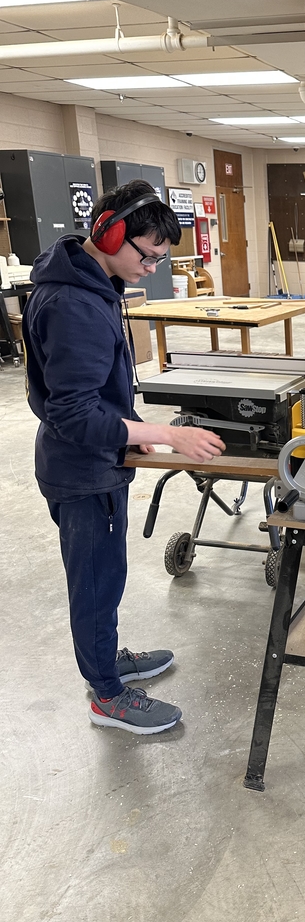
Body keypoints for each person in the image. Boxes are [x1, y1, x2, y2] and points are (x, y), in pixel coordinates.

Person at [22, 179, 225, 736]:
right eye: (150, 255)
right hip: (81, 470)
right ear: (110, 233)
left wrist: (130, 432)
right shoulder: (78, 305)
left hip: (96, 459)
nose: (155, 267)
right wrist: (164, 433)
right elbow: (73, 413)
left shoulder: (91, 283)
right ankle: (107, 695)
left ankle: (105, 660)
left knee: (105, 575)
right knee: (95, 581)